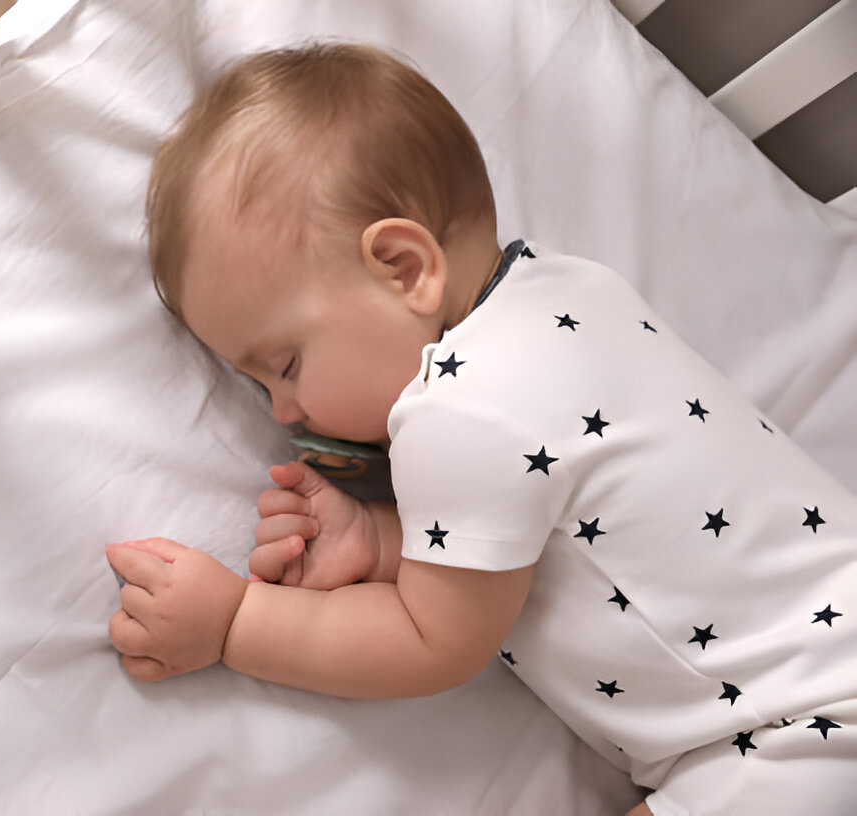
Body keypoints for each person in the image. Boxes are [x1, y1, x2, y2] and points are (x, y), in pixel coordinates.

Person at [106, 42, 857, 815]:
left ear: (403, 268)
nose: (282, 413)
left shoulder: (453, 410)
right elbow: (549, 542)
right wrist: (383, 540)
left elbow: (431, 640)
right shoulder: (571, 291)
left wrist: (235, 622)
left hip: (802, 725)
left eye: (285, 365)